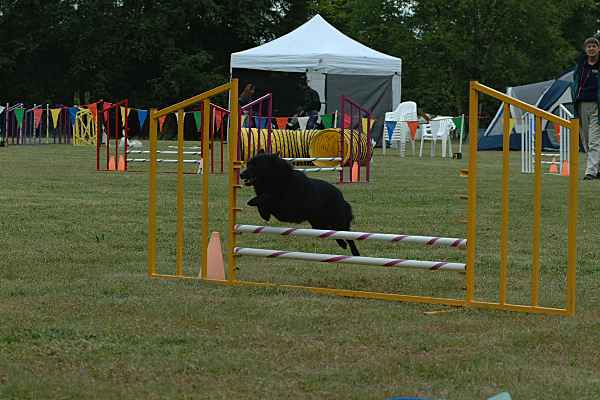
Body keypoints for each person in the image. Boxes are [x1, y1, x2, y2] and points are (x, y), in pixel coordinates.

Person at [572, 36, 600, 180]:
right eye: (589, 46)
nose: (591, 48)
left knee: (594, 139)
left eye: (594, 46)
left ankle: (590, 172)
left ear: (598, 49)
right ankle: (597, 169)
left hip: (597, 105)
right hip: (581, 104)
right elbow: (575, 83)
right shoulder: (581, 66)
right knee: (586, 139)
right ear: (585, 49)